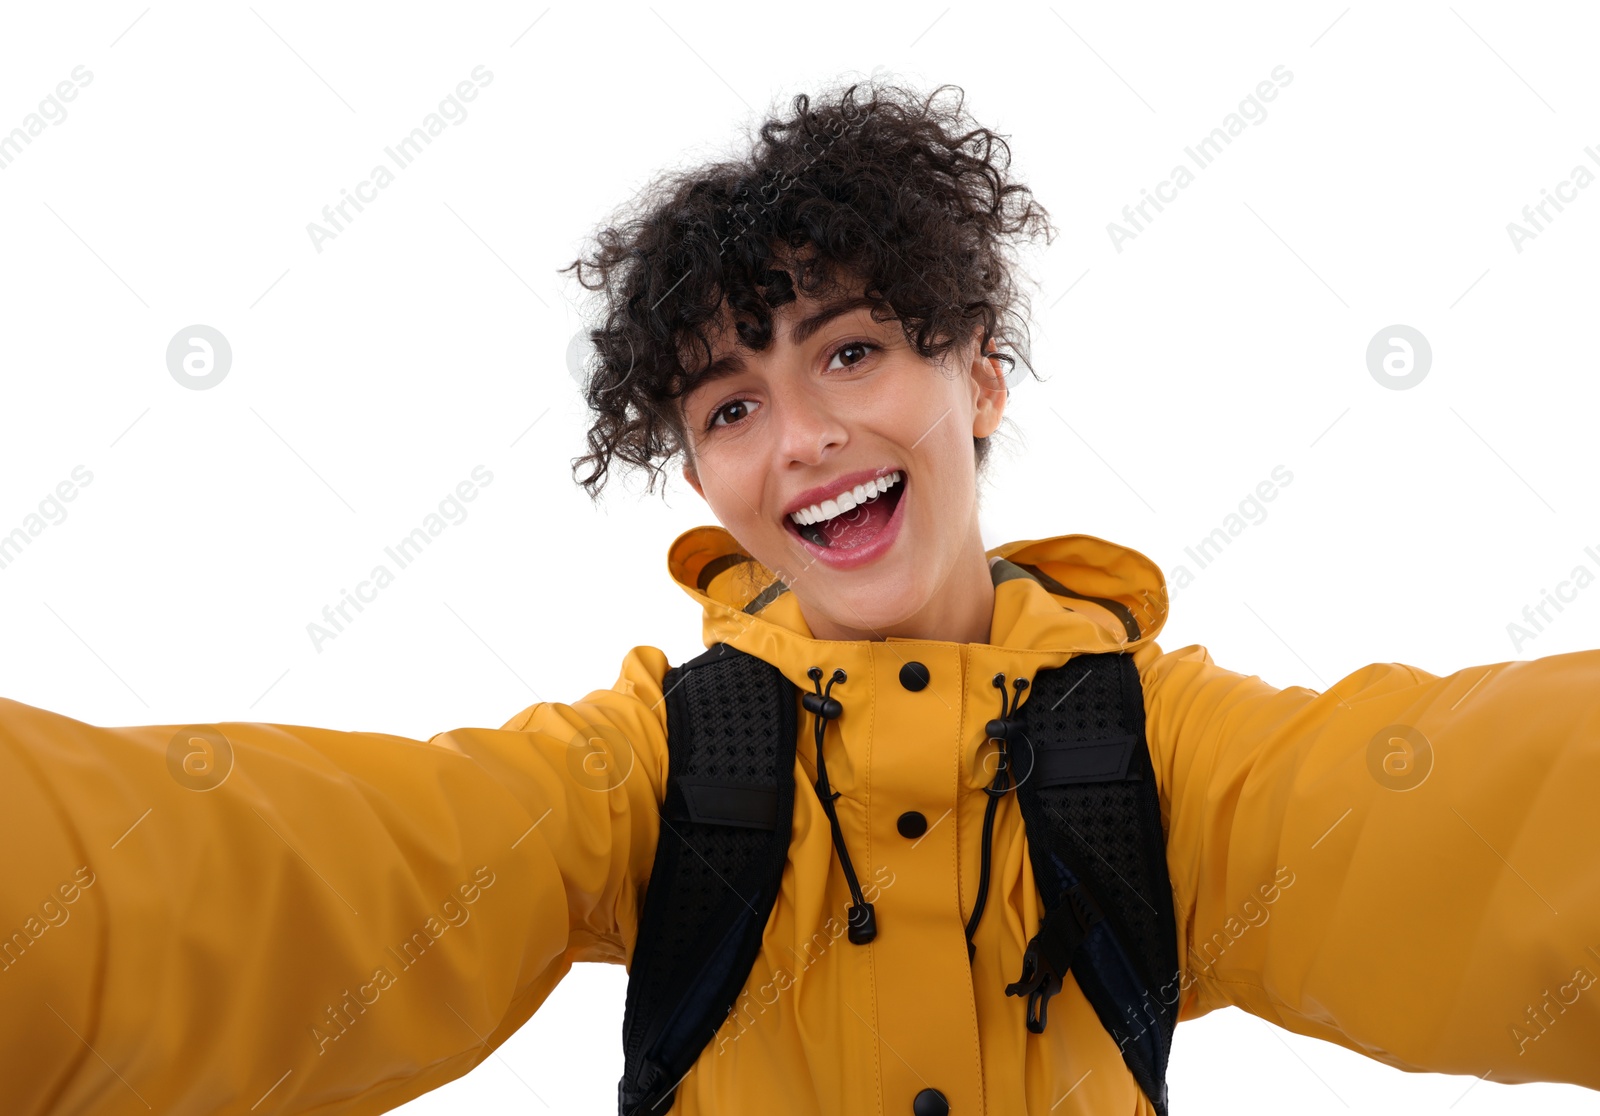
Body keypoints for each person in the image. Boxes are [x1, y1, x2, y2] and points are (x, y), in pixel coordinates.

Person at [2, 77, 1597, 1116]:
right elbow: (291, 871)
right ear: (701, 479)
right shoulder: (655, 767)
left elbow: (1470, 818)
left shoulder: (1160, 754)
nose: (806, 438)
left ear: (976, 376)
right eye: (729, 408)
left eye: (849, 352)